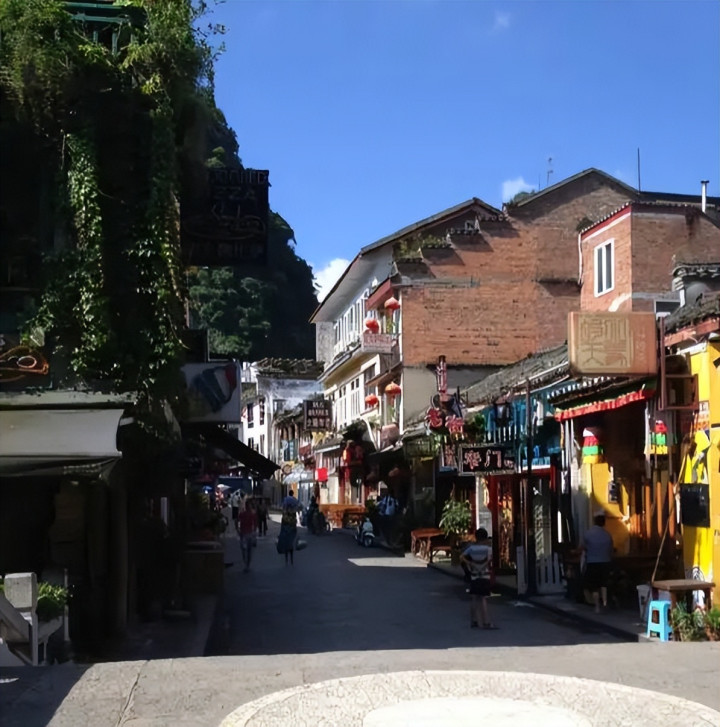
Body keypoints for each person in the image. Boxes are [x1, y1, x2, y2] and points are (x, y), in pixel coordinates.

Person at [460, 527, 497, 629]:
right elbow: (490, 560)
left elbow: (462, 557)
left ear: (476, 537)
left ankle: (474, 621)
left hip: (474, 575)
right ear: (485, 538)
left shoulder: (471, 549)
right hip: (485, 575)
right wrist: (484, 565)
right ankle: (486, 622)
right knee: (483, 598)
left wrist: (471, 563)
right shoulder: (488, 549)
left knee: (474, 597)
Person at [580, 509, 614, 613]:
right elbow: (611, 550)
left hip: (592, 562)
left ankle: (597, 606)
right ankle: (604, 603)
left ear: (594, 521)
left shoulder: (588, 534)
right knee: (603, 584)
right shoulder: (607, 535)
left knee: (594, 586)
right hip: (605, 562)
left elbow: (582, 547)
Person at [278, 490, 299, 565]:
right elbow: (298, 507)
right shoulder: (295, 500)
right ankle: (291, 560)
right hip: (292, 526)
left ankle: (286, 559)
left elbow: (283, 509)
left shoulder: (285, 499)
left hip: (286, 526)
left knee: (286, 543)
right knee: (291, 543)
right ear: (293, 494)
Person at [237, 500, 257, 573]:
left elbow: (237, 521)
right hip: (250, 534)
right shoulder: (252, 514)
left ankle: (246, 564)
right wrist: (254, 532)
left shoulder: (242, 514)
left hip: (243, 534)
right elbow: (255, 524)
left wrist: (238, 530)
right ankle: (247, 565)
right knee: (249, 550)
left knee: (244, 550)